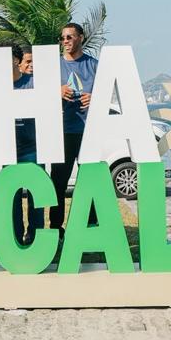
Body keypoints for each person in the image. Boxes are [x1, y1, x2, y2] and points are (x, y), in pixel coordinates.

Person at [51, 23, 98, 233]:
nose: (66, 41)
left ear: (81, 37)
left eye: (70, 37)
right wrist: (56, 91)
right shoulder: (54, 67)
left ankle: (91, 225)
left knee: (90, 181)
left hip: (89, 131)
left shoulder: (94, 65)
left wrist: (95, 98)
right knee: (58, 183)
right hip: (63, 132)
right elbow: (39, 95)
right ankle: (55, 226)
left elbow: (109, 94)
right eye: (63, 38)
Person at [9, 45, 41, 245]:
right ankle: (15, 234)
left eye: (10, 58)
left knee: (35, 196)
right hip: (8, 150)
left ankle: (35, 235)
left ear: (16, 61)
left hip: (32, 148)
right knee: (12, 198)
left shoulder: (32, 83)